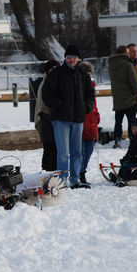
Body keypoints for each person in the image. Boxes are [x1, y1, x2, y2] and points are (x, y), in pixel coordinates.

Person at [42, 44, 95, 189]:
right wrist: (58, 105)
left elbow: (90, 93)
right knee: (63, 152)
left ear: (78, 59)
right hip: (61, 119)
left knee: (77, 152)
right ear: (65, 58)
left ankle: (75, 179)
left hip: (78, 119)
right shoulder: (57, 73)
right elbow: (46, 94)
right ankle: (62, 179)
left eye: (74, 57)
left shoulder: (83, 73)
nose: (72, 60)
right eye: (69, 57)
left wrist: (86, 107)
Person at [108, 45, 137, 148]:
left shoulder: (111, 65)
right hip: (129, 98)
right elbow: (134, 82)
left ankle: (117, 140)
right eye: (127, 52)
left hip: (117, 99)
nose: (129, 54)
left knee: (118, 122)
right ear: (123, 54)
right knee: (131, 121)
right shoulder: (128, 65)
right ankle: (132, 140)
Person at [34, 59, 60, 171]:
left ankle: (50, 170)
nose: (55, 71)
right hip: (46, 118)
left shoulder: (51, 80)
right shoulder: (47, 82)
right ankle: (48, 171)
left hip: (48, 118)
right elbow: (45, 104)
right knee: (50, 148)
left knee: (53, 148)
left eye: (56, 68)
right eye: (52, 69)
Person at [78, 61, 100, 186]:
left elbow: (94, 105)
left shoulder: (91, 87)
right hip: (82, 122)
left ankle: (83, 172)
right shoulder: (78, 87)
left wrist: (97, 117)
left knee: (89, 151)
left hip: (91, 124)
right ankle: (79, 173)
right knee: (81, 152)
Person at [112, 117, 137, 182]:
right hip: (134, 159)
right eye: (133, 128)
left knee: (127, 164)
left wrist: (132, 158)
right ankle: (120, 177)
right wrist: (125, 158)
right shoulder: (134, 139)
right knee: (125, 163)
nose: (135, 130)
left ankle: (124, 178)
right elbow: (130, 151)